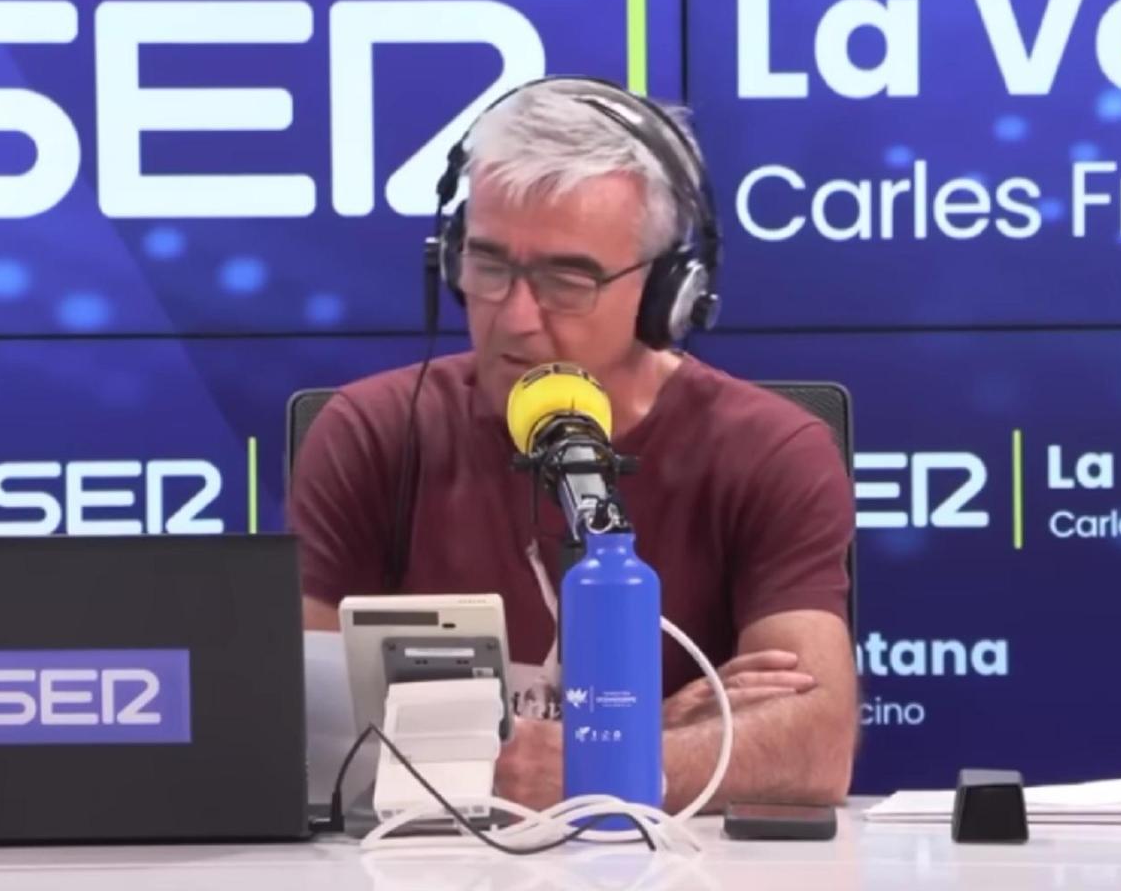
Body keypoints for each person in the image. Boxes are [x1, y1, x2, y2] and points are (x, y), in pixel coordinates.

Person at [291, 76, 858, 813]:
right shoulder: (372, 434)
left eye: (567, 279)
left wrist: (598, 766)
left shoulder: (769, 451)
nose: (516, 318)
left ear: (668, 295)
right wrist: (632, 745)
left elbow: (815, 748)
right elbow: (299, 733)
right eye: (489, 266)